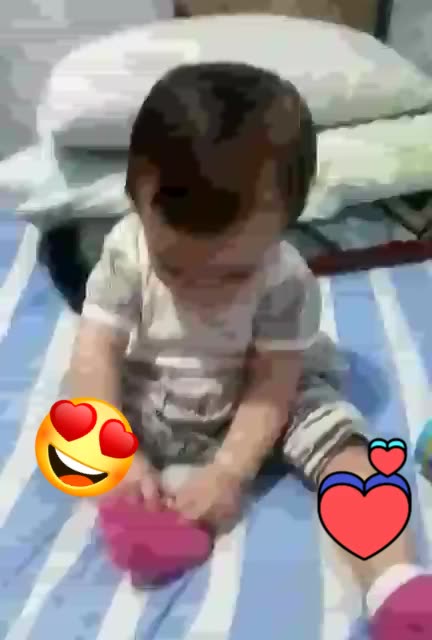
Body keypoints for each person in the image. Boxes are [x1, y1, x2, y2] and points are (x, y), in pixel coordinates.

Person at [68, 62, 431, 636]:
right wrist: (119, 454)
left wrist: (231, 470)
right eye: (175, 266)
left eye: (234, 273)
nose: (203, 289)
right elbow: (97, 352)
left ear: (288, 222)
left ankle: (394, 579)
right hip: (156, 389)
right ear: (136, 199)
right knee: (76, 425)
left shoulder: (286, 280)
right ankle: (142, 523)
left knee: (343, 439)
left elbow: (272, 383)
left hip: (255, 396)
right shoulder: (124, 251)